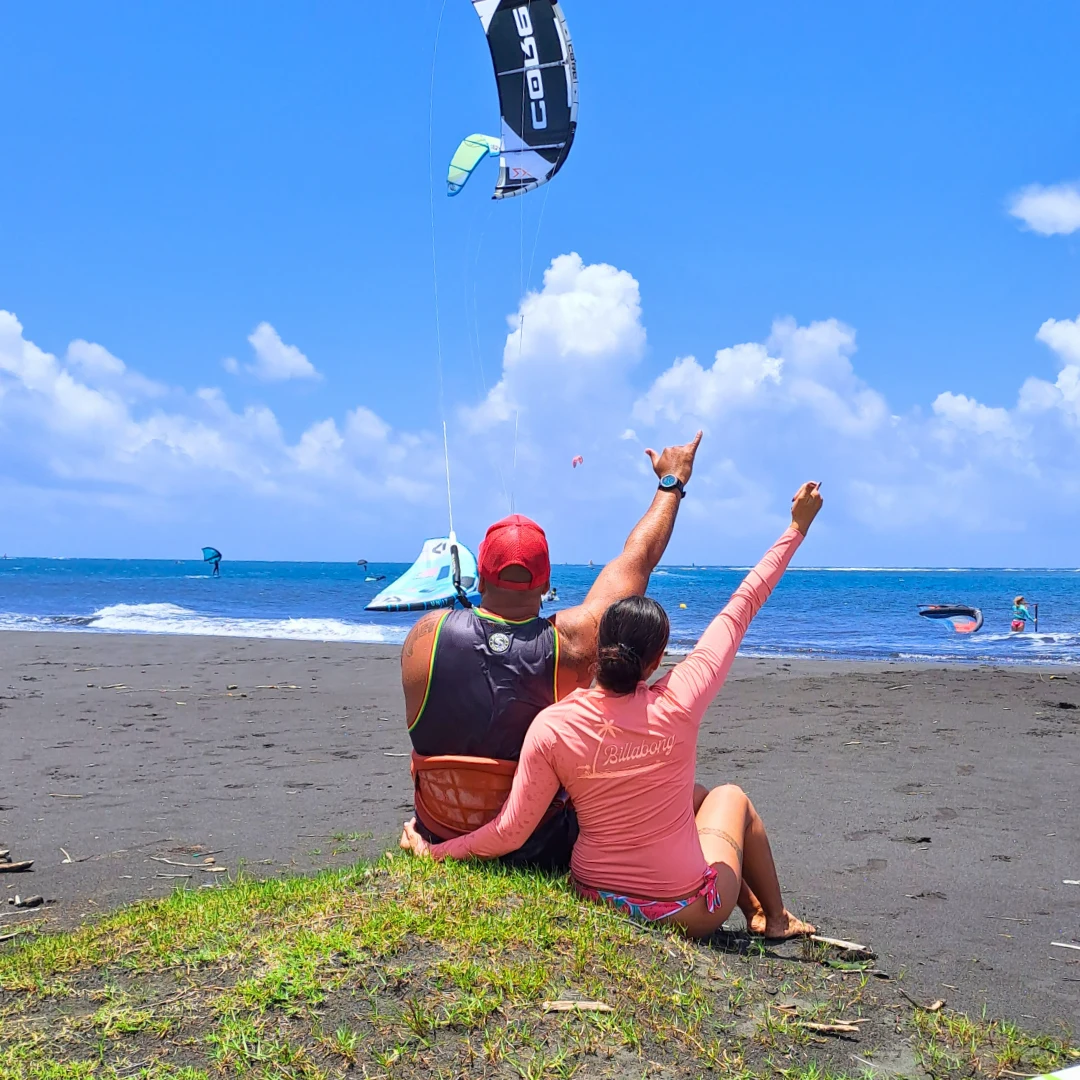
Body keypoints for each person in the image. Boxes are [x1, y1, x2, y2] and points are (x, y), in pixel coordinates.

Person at [400, 482, 823, 940]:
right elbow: (740, 608)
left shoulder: (551, 724)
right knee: (731, 798)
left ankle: (760, 909)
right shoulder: (679, 700)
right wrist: (796, 527)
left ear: (595, 650)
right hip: (683, 911)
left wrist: (435, 853)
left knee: (688, 794)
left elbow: (509, 829)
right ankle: (774, 918)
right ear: (657, 660)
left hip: (595, 895)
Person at [400, 432, 704, 871]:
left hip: (440, 827)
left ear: (479, 580)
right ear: (546, 587)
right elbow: (638, 559)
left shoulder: (425, 636)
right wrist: (671, 484)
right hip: (537, 845)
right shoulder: (575, 643)